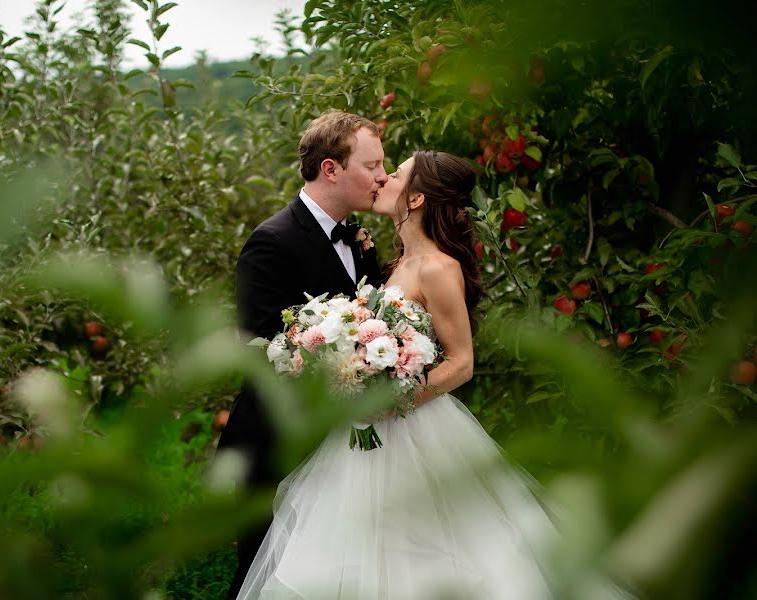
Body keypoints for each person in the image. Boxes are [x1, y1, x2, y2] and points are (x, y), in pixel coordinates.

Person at [235, 151, 635, 599]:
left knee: (431, 549)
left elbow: (462, 361)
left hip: (417, 430)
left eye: (397, 173)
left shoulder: (439, 268)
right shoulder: (395, 264)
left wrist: (395, 400)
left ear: (418, 196)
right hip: (369, 434)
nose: (384, 178)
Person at [217, 110, 389, 599]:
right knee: (264, 574)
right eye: (372, 165)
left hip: (343, 437)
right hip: (278, 437)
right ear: (331, 169)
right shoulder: (271, 241)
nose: (381, 176)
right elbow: (259, 342)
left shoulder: (359, 238)